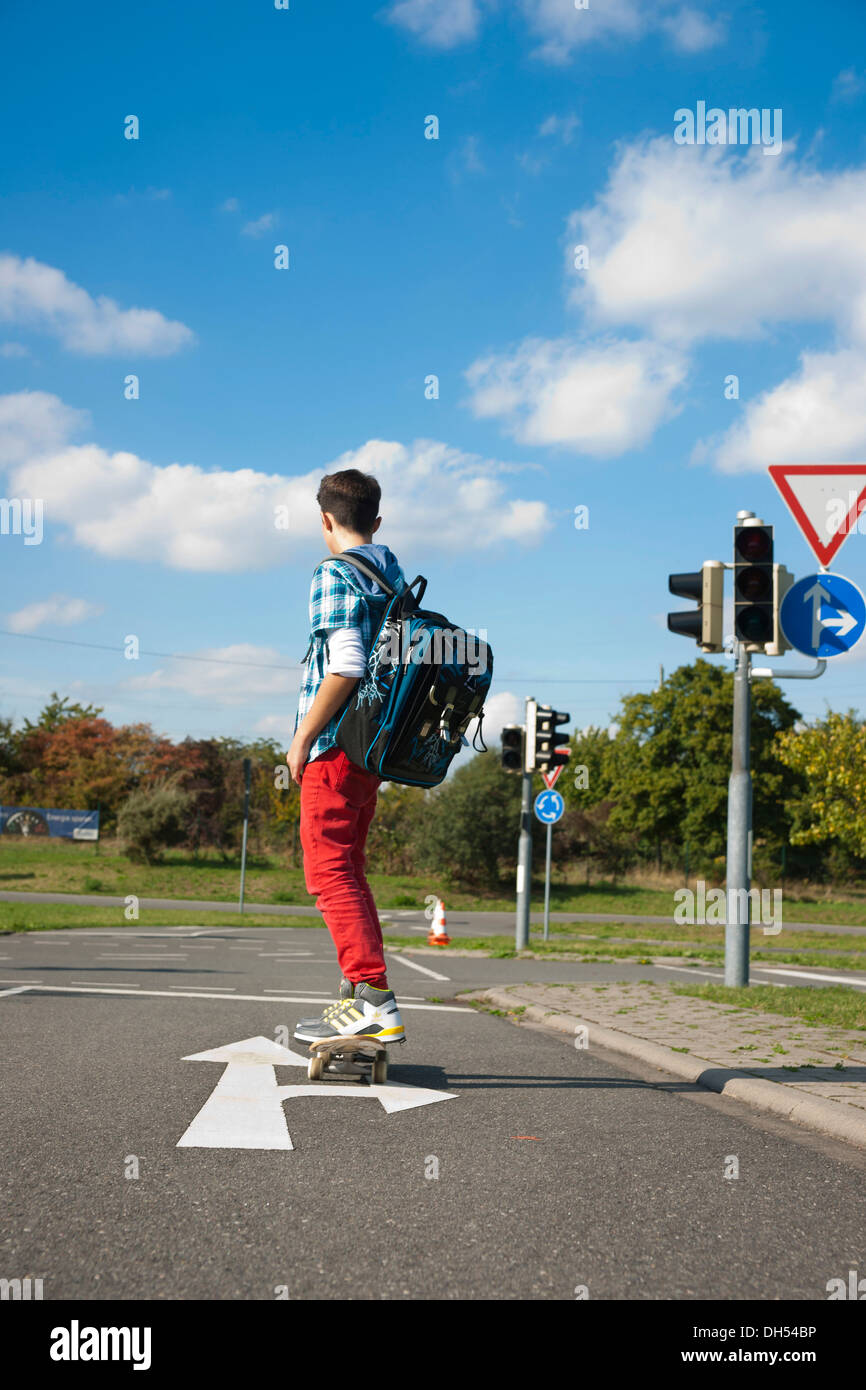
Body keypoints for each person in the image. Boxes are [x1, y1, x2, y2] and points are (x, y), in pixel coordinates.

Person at [287, 468, 407, 1049]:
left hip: (336, 746)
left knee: (328, 871)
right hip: (372, 750)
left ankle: (373, 998)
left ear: (325, 520)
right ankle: (358, 997)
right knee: (350, 870)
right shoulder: (394, 577)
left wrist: (302, 737)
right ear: (377, 521)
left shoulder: (334, 572)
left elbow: (347, 663)